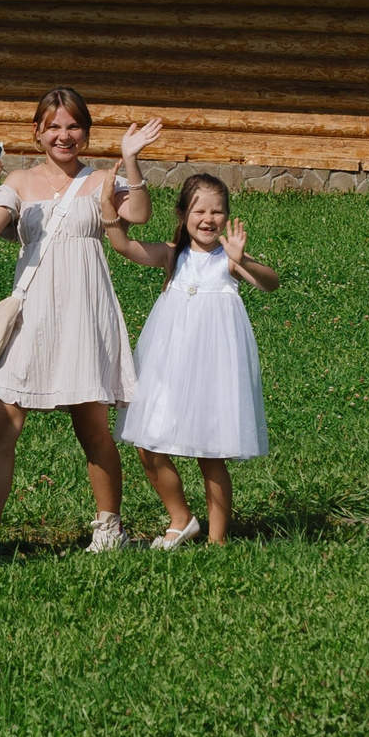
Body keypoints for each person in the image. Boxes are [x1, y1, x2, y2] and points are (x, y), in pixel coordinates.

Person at [0, 94, 165, 564]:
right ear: (37, 133)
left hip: (86, 312)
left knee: (93, 427)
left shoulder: (103, 180)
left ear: (85, 132)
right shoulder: (20, 181)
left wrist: (130, 160)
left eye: (74, 127)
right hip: (32, 315)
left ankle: (109, 528)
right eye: (53, 127)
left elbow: (140, 215)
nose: (64, 136)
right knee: (3, 423)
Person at [103, 173, 278, 548]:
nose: (208, 219)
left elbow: (270, 283)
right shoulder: (173, 255)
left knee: (210, 453)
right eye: (199, 210)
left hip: (214, 368)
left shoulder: (228, 262)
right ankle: (180, 516)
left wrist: (242, 258)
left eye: (217, 211)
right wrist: (108, 208)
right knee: (147, 442)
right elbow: (124, 246)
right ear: (183, 215)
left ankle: (218, 539)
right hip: (167, 365)